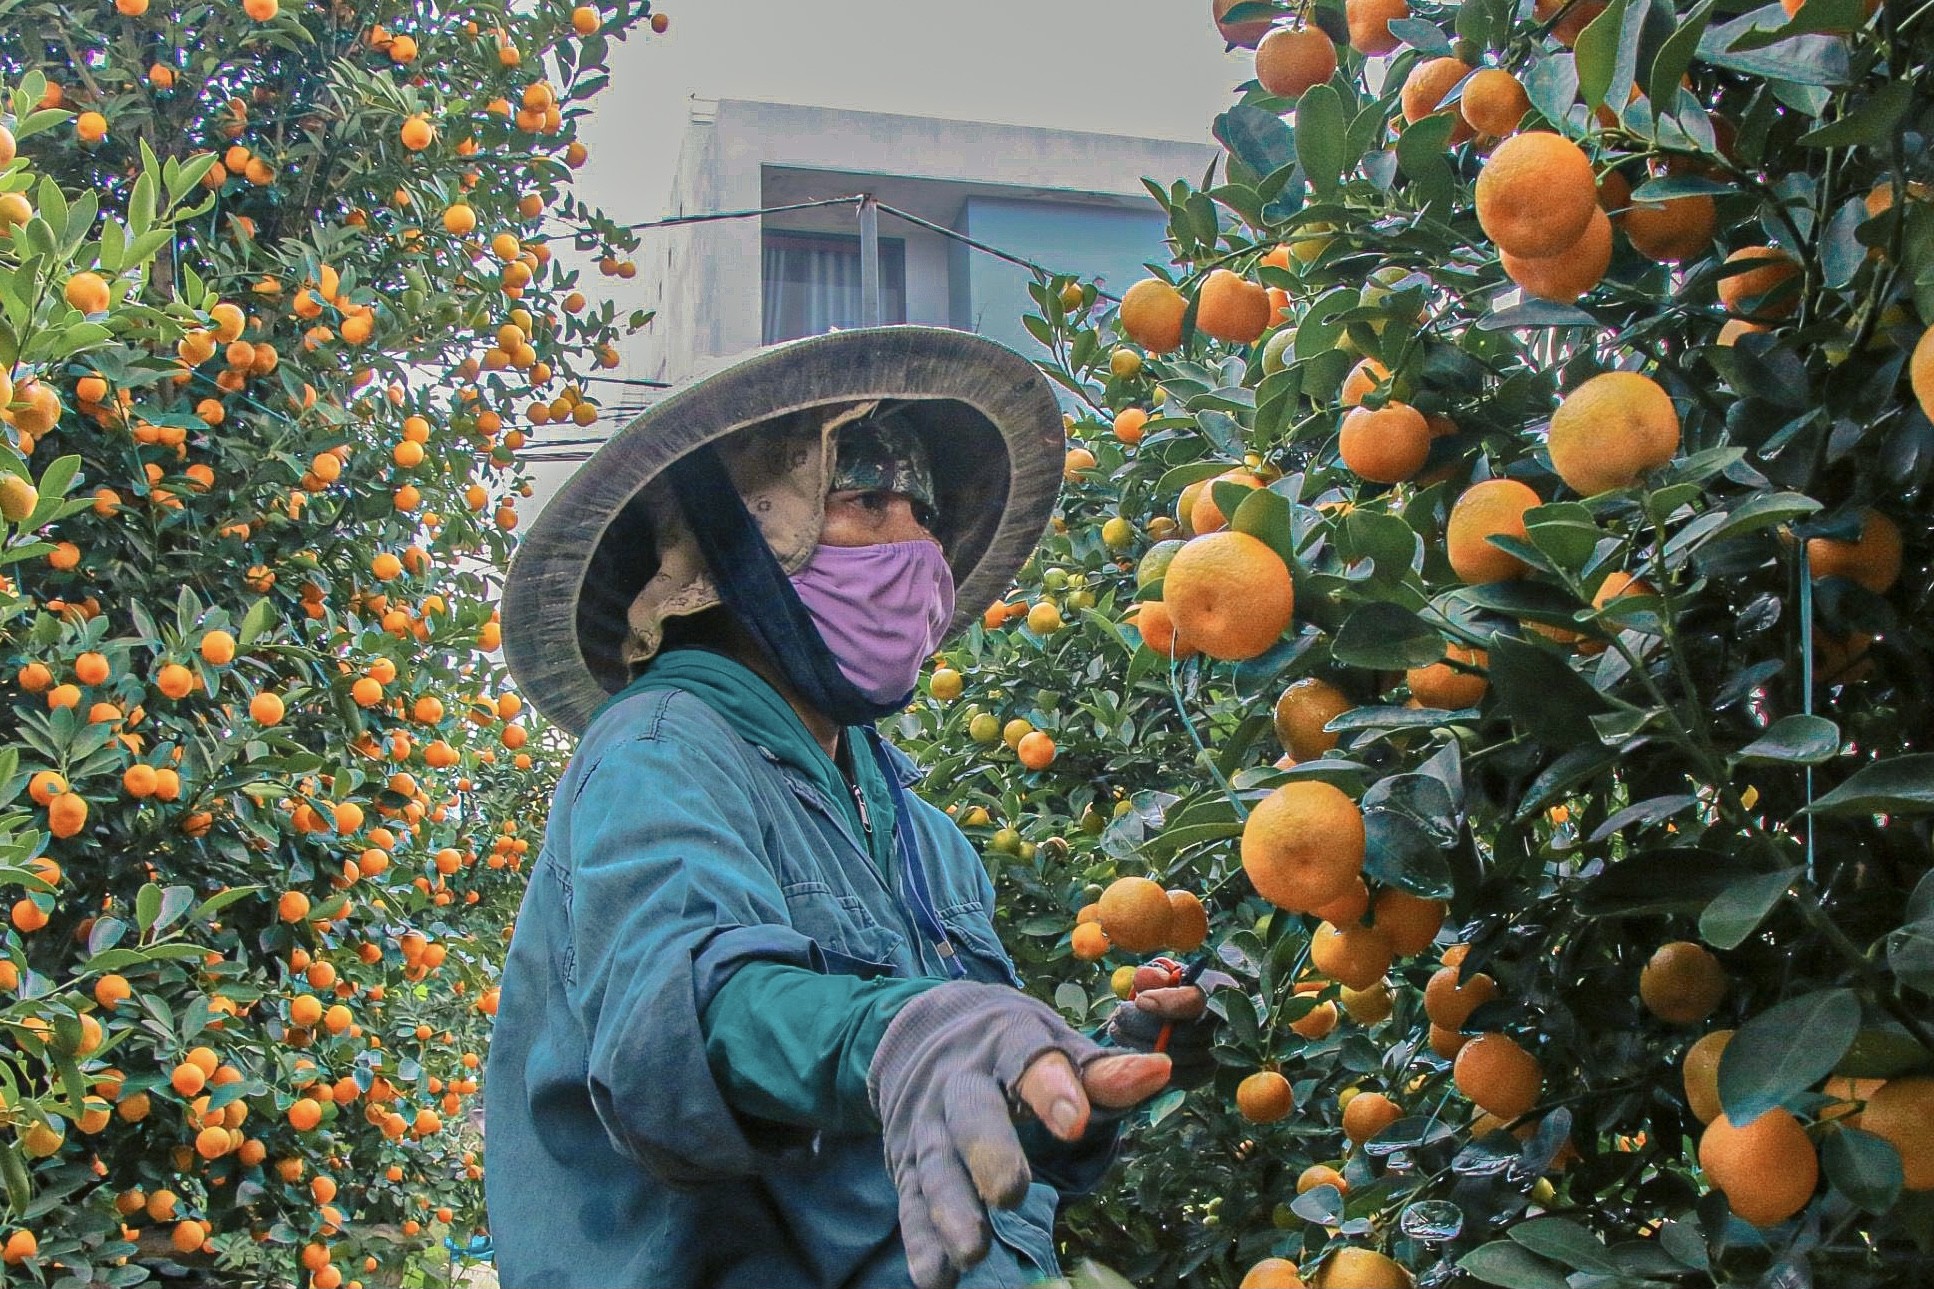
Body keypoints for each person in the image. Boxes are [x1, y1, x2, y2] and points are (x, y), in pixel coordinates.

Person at [485, 327, 1224, 1289]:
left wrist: (1079, 1077)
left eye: (921, 512)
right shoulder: (661, 747)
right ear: (736, 544)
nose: (916, 545)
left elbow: (959, 1149)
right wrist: (900, 1034)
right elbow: (688, 1017)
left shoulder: (926, 836)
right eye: (866, 499)